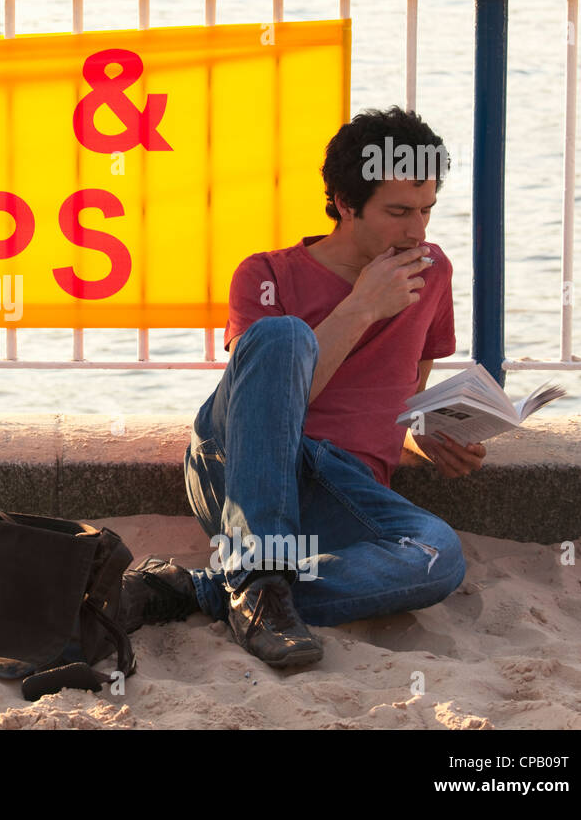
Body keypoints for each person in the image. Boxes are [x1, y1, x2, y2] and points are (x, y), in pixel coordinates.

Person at [118, 106, 485, 669]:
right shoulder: (265, 275)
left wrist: (428, 440)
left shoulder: (432, 271)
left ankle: (221, 590)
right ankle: (259, 574)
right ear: (344, 203)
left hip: (341, 489)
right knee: (283, 336)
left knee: (437, 557)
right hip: (245, 467)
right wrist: (362, 306)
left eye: (427, 210)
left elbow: (399, 404)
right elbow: (266, 405)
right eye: (398, 211)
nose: (418, 231)